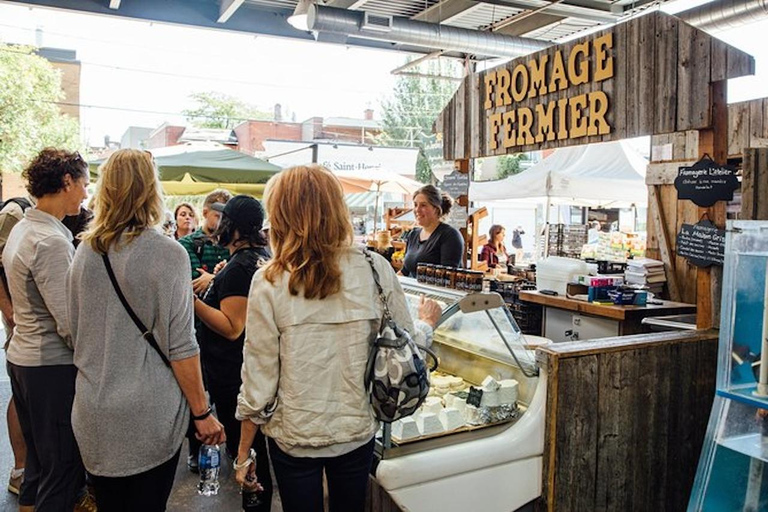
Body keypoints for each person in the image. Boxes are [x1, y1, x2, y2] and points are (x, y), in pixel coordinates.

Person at [234, 165, 441, 512]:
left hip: (294, 434)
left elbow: (259, 378)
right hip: (356, 429)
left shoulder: (269, 281)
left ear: (281, 214)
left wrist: (242, 454)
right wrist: (427, 325)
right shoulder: (376, 267)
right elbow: (408, 347)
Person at [66, 149, 225, 511]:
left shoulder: (84, 252)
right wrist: (202, 413)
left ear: (105, 190)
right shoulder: (169, 254)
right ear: (151, 190)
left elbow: (72, 331)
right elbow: (182, 346)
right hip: (149, 415)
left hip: (93, 412)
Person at [3, 148, 90, 512]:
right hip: (49, 366)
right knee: (62, 469)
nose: (86, 193)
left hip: (23, 358)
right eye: (84, 184)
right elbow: (68, 322)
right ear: (66, 181)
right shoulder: (51, 241)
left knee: (38, 466)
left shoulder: (26, 227)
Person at [194, 194, 273, 510]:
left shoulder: (242, 267)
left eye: (222, 218)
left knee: (252, 457)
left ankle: (256, 505)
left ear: (235, 227)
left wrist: (191, 302)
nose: (217, 223)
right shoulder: (253, 259)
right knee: (255, 454)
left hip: (234, 377)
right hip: (237, 375)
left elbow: (232, 326)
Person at [0, 195, 34, 497]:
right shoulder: (15, 211)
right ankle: (21, 469)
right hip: (22, 319)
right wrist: (8, 310)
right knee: (21, 392)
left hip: (28, 316)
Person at [401, 185, 464, 277]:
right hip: (412, 290)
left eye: (423, 205)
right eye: (415, 205)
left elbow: (448, 277)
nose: (417, 210)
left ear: (436, 209)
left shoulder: (450, 235)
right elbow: (405, 271)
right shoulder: (413, 234)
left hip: (435, 291)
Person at [178, 189, 231, 296]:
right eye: (218, 216)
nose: (223, 222)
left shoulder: (232, 244)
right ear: (205, 213)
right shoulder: (186, 243)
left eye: (227, 217)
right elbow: (196, 283)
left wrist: (212, 279)